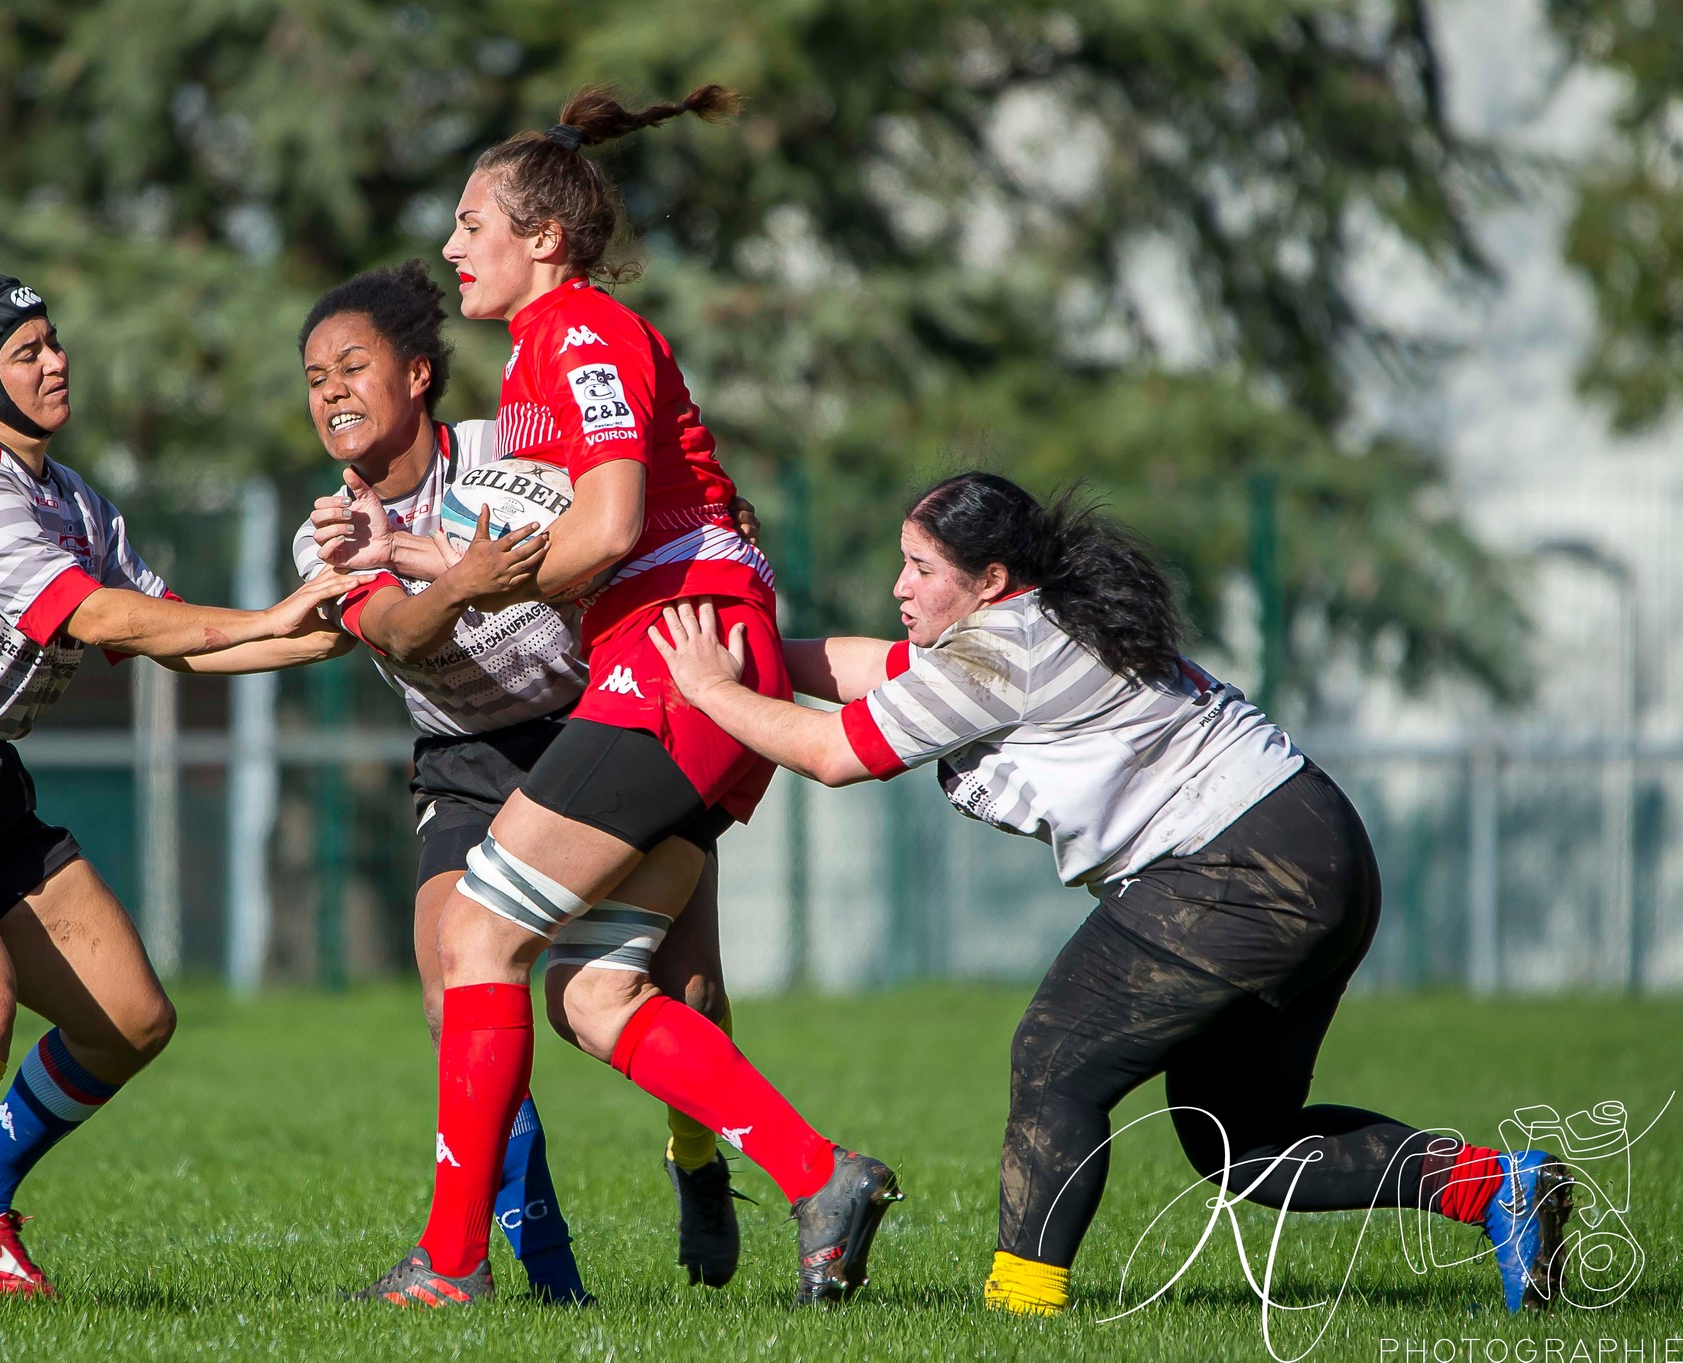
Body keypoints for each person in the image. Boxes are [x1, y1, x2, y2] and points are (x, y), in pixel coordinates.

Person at [649, 470, 1574, 1316]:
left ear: (992, 577)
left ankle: (1021, 1308)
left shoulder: (997, 653)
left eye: (920, 567)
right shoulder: (1020, 625)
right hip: (1312, 845)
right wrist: (749, 647)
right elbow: (870, 668)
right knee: (1241, 1143)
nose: (899, 585)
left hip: (1241, 866)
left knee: (1055, 1058)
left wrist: (703, 684)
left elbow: (828, 752)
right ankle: (1501, 1188)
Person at [350, 87, 903, 1311]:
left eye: (470, 221)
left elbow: (599, 532)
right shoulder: (549, 356)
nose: (450, 248)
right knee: (595, 994)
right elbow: (582, 535)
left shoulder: (581, 333)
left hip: (671, 661)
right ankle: (820, 1178)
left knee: (476, 938)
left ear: (542, 238)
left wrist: (489, 575)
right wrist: (444, 562)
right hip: (686, 660)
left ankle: (447, 1268)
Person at [0, 275, 352, 1303]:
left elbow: (178, 641)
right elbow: (102, 622)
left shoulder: (74, 498)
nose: (56, 361)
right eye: (27, 349)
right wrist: (273, 613)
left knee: (129, 1020)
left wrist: (331, 628)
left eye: (55, 341)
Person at [289, 259, 752, 1300]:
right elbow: (402, 636)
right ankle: (546, 1283)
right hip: (464, 761)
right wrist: (455, 575)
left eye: (350, 366)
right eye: (312, 377)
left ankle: (697, 1157)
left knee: (687, 996)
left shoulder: (515, 447)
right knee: (465, 991)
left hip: (603, 720)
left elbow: (624, 503)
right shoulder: (328, 527)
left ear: (416, 374)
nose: (329, 393)